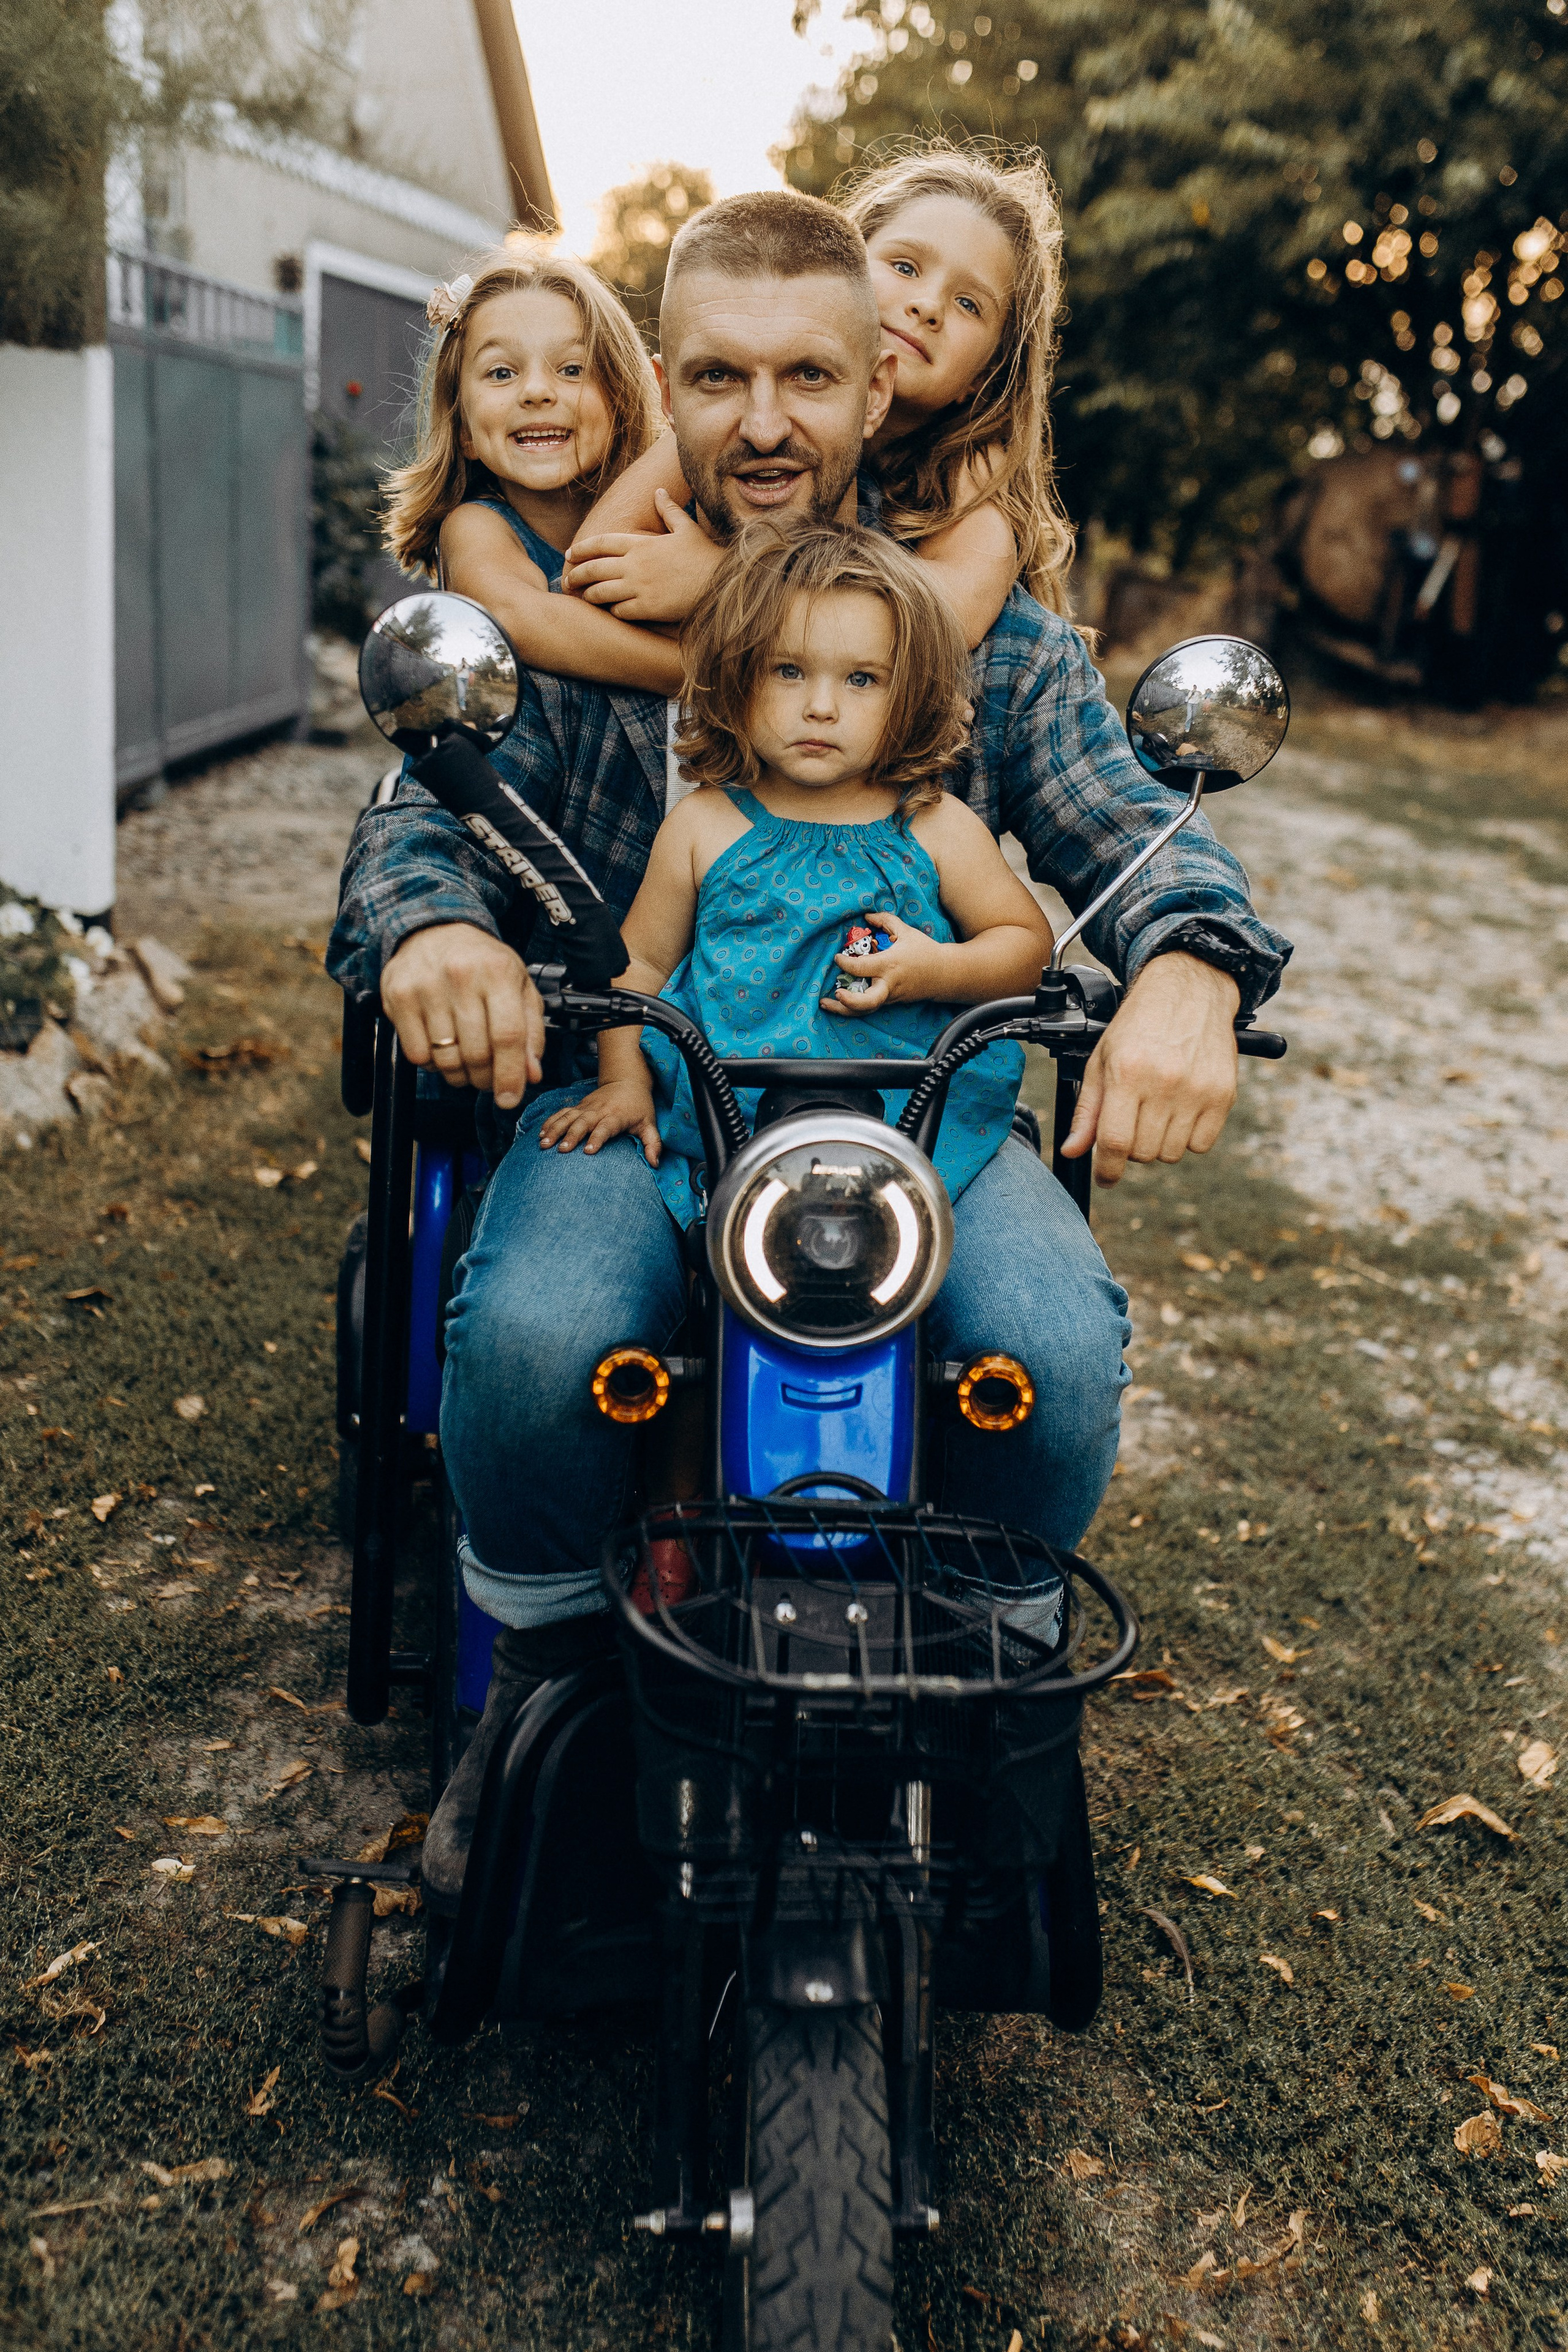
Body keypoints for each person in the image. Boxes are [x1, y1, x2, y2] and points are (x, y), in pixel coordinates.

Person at [328, 188, 1292, 1907]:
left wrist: (1194, 967)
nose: (764, 425)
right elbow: (424, 810)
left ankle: (996, 1687)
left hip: (931, 1114)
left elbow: (1131, 815)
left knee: (1056, 1355)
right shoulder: (584, 600)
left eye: (807, 380)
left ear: (876, 393)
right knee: (539, 1337)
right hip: (643, 1093)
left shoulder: (977, 629)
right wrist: (439, 925)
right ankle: (536, 1690)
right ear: (660, 390)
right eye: (717, 378)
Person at [536, 520, 1053, 1224]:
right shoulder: (705, 825)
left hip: (909, 1125)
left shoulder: (934, 826)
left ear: (913, 695)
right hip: (723, 1123)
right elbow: (641, 969)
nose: (820, 706)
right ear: (737, 678)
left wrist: (936, 970)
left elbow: (1025, 945)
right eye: (788, 671)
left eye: (862, 679)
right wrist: (623, 1081)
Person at [562, 146, 1071, 653]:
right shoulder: (738, 416)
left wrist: (722, 579)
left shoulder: (976, 474)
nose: (927, 306)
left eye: (968, 304)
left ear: (987, 374)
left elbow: (950, 621)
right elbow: (588, 565)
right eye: (905, 266)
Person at [382, 244, 682, 695]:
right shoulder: (474, 527)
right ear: (464, 428)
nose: (537, 391)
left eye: (572, 368)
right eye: (501, 373)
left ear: (621, 400)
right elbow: (516, 619)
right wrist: (703, 672)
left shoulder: (671, 512)